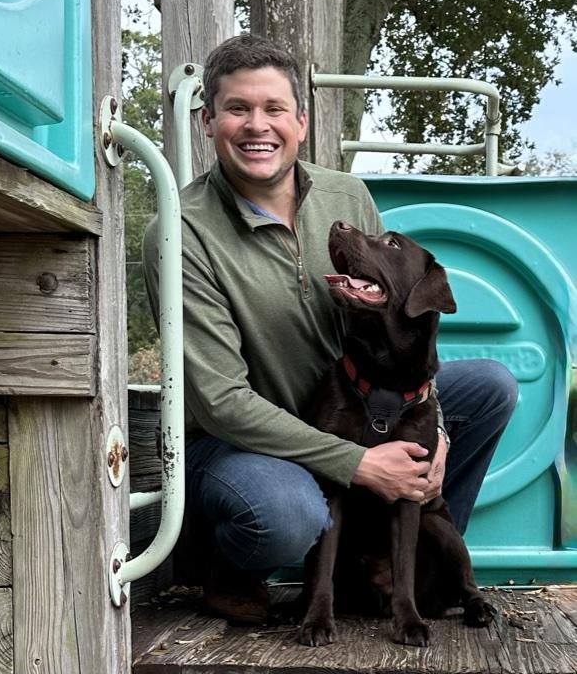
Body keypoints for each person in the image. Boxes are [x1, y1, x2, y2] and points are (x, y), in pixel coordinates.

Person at [143, 34, 517, 624]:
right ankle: (229, 567)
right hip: (244, 441)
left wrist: (437, 432)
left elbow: (395, 328)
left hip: (352, 404)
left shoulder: (346, 195)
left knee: (491, 387)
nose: (257, 126)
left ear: (301, 122)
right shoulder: (181, 232)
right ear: (208, 122)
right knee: (284, 514)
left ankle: (413, 567)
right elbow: (221, 402)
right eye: (238, 108)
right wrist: (359, 464)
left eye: (274, 108)